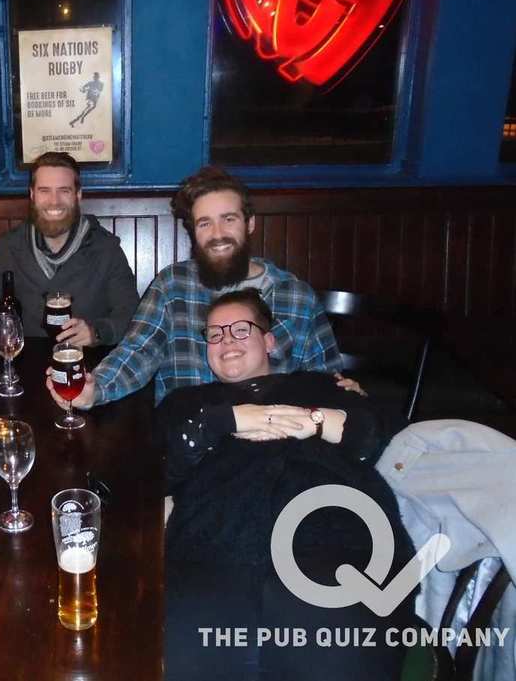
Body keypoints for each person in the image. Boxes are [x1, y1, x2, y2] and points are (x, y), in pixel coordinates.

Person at [158, 289, 415, 680]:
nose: (226, 340)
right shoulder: (187, 403)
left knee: (339, 646)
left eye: (240, 329)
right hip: (213, 540)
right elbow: (159, 467)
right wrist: (227, 420)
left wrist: (310, 420)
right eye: (214, 334)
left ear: (269, 340)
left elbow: (376, 437)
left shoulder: (323, 385)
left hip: (334, 528)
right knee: (188, 650)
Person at [52, 164, 344, 408]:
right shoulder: (172, 286)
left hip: (274, 442)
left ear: (250, 224)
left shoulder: (297, 298)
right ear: (193, 231)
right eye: (204, 223)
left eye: (228, 220)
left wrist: (343, 394)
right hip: (190, 439)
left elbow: (326, 383)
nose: (217, 234)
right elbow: (138, 351)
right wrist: (96, 389)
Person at [0, 151, 138, 347]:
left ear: (78, 195)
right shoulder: (11, 247)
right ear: (32, 195)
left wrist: (97, 333)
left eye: (64, 191)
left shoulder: (106, 248)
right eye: (44, 191)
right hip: (28, 362)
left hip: (88, 364)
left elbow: (130, 312)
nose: (54, 201)